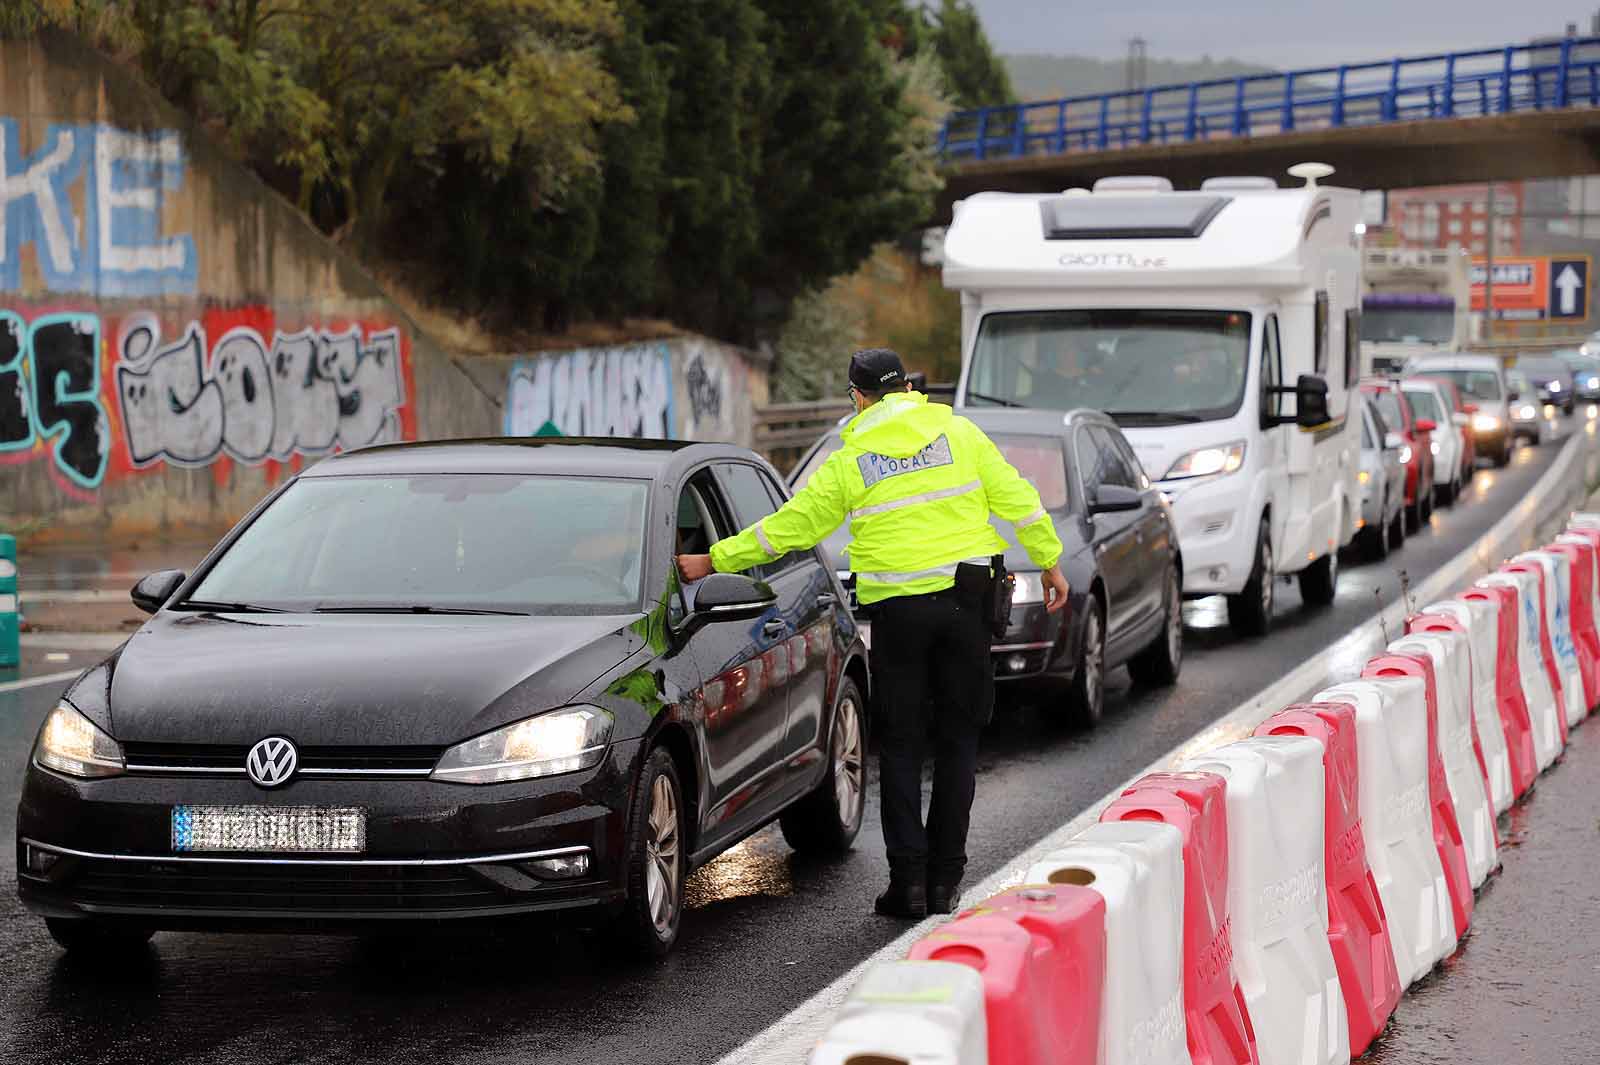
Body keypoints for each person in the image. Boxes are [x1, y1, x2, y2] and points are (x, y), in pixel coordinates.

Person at [676, 348, 1069, 918]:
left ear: (858, 397)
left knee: (904, 747)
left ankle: (908, 885)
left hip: (900, 616)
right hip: (966, 604)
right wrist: (1049, 560)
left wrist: (715, 561)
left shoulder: (851, 457)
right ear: (908, 386)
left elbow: (791, 527)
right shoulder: (959, 433)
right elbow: (1018, 498)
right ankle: (945, 882)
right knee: (959, 743)